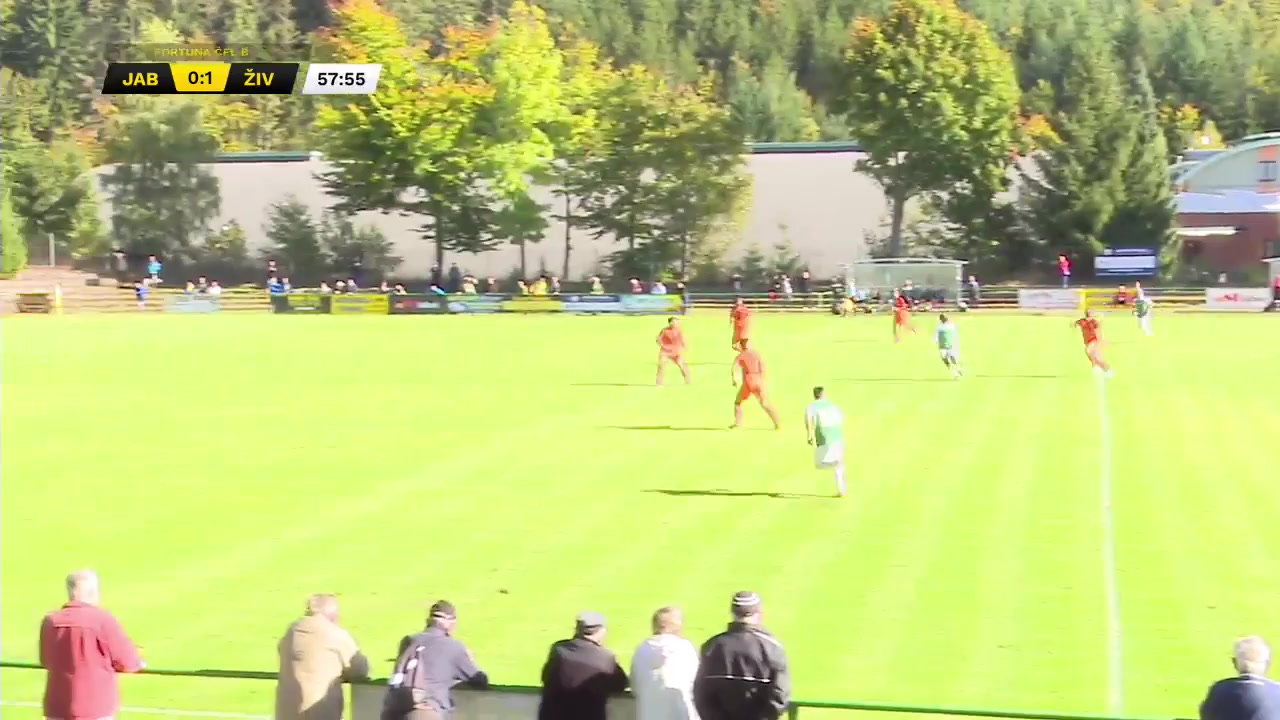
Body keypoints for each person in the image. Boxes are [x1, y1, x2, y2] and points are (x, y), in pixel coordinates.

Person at [41, 570, 145, 720]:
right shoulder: (103, 620)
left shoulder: (51, 621)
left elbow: (46, 659)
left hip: (58, 706)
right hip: (95, 707)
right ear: (93, 592)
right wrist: (138, 662)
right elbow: (126, 661)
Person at [383, 600, 489, 720]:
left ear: (428, 620)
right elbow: (480, 681)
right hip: (425, 711)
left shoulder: (408, 641)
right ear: (451, 622)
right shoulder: (453, 647)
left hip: (392, 710)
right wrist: (469, 658)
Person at [693, 591, 790, 720]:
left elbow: (701, 694)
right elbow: (780, 696)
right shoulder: (773, 647)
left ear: (733, 613)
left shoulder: (712, 646)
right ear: (759, 613)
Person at [275, 594, 370, 720]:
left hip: (285, 712)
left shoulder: (291, 632)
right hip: (319, 711)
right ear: (333, 615)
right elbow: (360, 670)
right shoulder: (335, 634)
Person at [538, 612, 629, 720]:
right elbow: (620, 685)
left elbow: (545, 677)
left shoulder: (558, 650)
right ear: (601, 632)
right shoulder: (605, 658)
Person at [630, 607, 700, 720]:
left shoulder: (642, 650)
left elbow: (634, 685)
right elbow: (698, 684)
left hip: (649, 714)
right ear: (676, 626)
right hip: (681, 714)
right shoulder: (685, 649)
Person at [1200, 636, 1280, 720]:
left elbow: (1206, 715)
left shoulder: (1220, 689)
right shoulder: (1277, 691)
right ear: (1268, 664)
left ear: (1234, 663)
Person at [804, 387, 847, 497]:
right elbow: (841, 418)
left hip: (824, 436)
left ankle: (841, 489)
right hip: (837, 435)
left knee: (821, 464)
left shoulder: (812, 407)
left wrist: (809, 435)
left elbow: (808, 420)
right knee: (839, 464)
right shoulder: (833, 405)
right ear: (823, 394)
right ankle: (841, 489)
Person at [732, 339, 781, 430]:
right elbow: (763, 368)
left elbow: (735, 369)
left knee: (738, 403)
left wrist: (735, 380)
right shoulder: (756, 354)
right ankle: (777, 423)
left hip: (749, 381)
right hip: (759, 380)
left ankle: (738, 424)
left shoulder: (740, 356)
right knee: (765, 403)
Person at [1074, 309, 1113, 377]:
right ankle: (1099, 368)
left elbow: (1098, 331)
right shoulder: (1082, 321)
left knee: (1096, 356)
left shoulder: (1094, 322)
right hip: (1088, 342)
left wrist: (1102, 340)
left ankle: (1106, 370)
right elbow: (1075, 324)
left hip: (1094, 341)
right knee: (1092, 356)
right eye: (1090, 312)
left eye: (1092, 312)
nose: (1092, 313)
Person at [656, 317, 691, 386]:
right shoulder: (664, 330)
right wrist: (662, 345)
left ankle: (688, 382)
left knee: (683, 367)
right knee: (661, 367)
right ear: (670, 323)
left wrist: (684, 347)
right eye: (675, 322)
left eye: (678, 322)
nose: (677, 323)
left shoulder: (679, 331)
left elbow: (683, 339)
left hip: (676, 352)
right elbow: (658, 339)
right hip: (665, 352)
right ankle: (659, 384)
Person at [935, 313, 963, 378]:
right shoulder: (939, 327)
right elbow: (936, 335)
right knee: (944, 358)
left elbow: (955, 333)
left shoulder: (950, 325)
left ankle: (958, 369)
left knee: (952, 358)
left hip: (950, 344)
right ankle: (953, 370)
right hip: (942, 346)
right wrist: (936, 341)